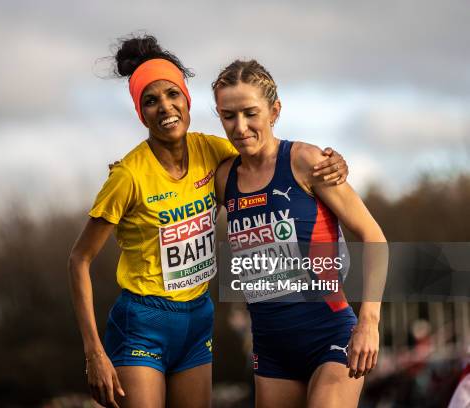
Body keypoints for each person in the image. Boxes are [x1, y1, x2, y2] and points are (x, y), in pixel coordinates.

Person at [68, 35, 349, 408]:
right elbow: (79, 259)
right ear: (141, 113)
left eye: (172, 95)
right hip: (144, 321)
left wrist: (333, 164)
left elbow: (266, 155)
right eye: (150, 101)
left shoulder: (213, 151)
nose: (165, 107)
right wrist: (94, 353)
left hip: (197, 318)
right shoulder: (127, 176)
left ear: (187, 99)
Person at [213, 60, 387, 408]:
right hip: (270, 348)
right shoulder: (223, 178)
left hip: (330, 336)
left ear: (274, 110)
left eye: (251, 113)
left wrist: (369, 321)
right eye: (228, 115)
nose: (240, 127)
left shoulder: (306, 161)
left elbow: (374, 236)